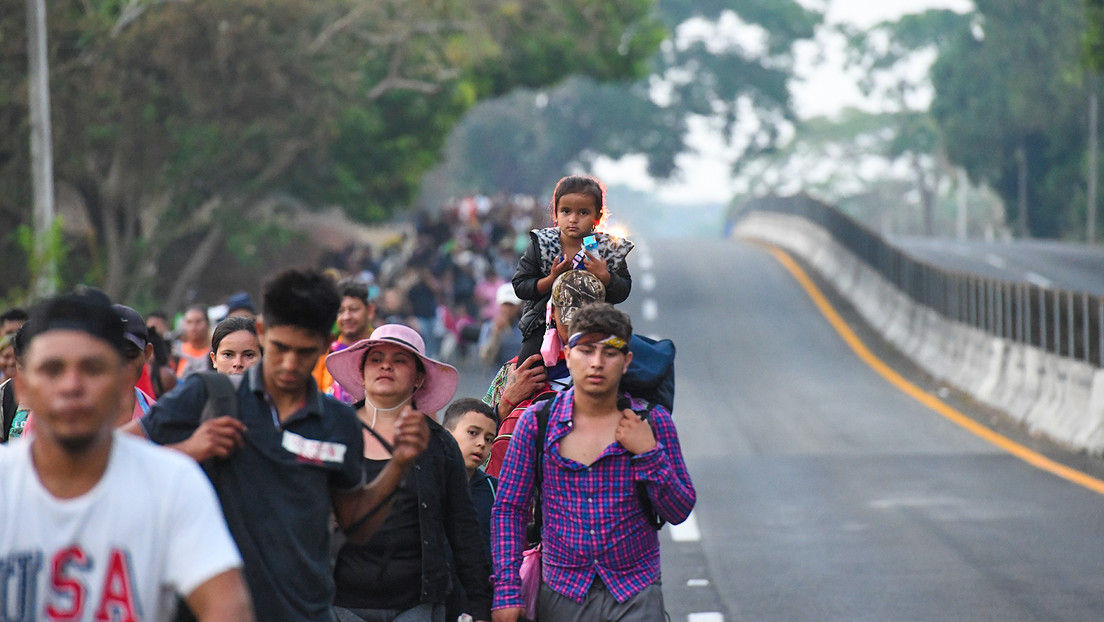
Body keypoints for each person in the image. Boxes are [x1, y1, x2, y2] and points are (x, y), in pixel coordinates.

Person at [131, 268, 431, 621]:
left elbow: (355, 525)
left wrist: (398, 466)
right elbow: (112, 454)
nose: (290, 364)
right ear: (262, 332)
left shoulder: (337, 421)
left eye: (304, 353)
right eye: (280, 348)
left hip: (305, 610)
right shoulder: (206, 396)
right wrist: (190, 451)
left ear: (324, 344)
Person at [0, 290, 252, 621]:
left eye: (92, 368)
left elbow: (225, 606)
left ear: (122, 378)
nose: (72, 385)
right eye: (52, 369)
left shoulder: (174, 486)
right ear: (23, 387)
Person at [490, 303, 696, 621]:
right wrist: (506, 590)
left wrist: (648, 454)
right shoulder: (537, 423)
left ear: (626, 361)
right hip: (562, 591)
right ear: (568, 355)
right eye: (586, 350)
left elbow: (679, 509)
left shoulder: (652, 423)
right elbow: (509, 509)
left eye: (609, 352)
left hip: (636, 592)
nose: (597, 363)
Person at [326, 324, 491, 622]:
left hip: (416, 605)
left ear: (418, 378)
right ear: (362, 372)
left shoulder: (440, 445)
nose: (386, 365)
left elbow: (463, 529)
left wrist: (478, 605)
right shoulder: (332, 432)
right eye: (376, 359)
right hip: (337, 603)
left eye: (399, 360)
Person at [511, 175, 633, 371]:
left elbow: (623, 290)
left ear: (597, 216)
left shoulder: (608, 250)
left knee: (624, 373)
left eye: (583, 212)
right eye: (566, 211)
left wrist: (606, 277)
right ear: (556, 214)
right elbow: (520, 286)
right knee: (524, 374)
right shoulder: (541, 245)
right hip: (544, 327)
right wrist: (550, 280)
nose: (573, 219)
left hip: (596, 328)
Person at [442, 398, 499, 622]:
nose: (481, 444)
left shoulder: (495, 491)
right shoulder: (428, 483)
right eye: (473, 433)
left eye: (489, 439)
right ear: (446, 435)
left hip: (474, 605)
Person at [313, 276, 376, 402]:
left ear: (370, 311)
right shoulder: (325, 353)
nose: (347, 317)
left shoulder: (382, 347)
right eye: (340, 311)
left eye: (354, 310)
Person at [175, 305, 213, 378]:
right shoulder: (177, 353)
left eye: (198, 322)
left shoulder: (216, 352)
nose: (193, 327)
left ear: (207, 323)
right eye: (189, 322)